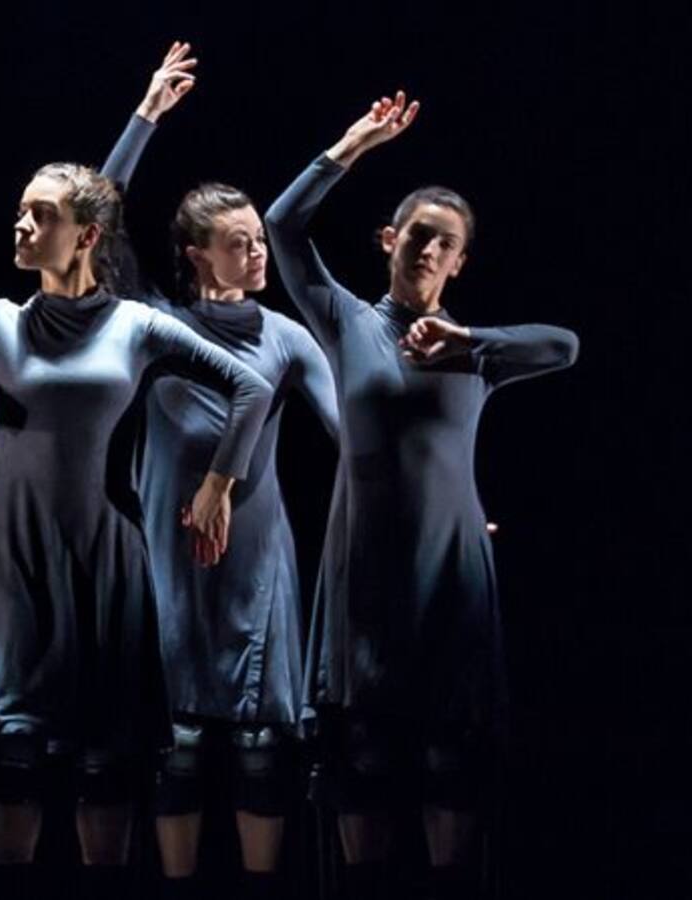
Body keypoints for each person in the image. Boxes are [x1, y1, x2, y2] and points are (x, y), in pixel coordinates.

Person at [0, 102, 272, 899]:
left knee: (105, 768)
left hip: (105, 563)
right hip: (16, 563)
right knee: (11, 763)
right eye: (21, 211)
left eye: (41, 215)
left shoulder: (137, 326)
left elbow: (249, 388)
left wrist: (219, 483)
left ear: (87, 237)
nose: (20, 225)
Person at [264, 91, 579, 900]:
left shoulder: (474, 352)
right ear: (389, 240)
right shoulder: (349, 323)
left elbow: (565, 346)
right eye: (418, 235)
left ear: (461, 262)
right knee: (362, 767)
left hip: (451, 576)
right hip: (364, 576)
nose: (430, 250)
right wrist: (351, 145)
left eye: (447, 243)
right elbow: (282, 227)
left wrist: (470, 339)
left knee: (451, 767)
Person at [97, 42, 340, 900]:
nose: (257, 254)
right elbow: (100, 223)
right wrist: (145, 117)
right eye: (238, 244)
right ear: (198, 254)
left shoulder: (287, 337)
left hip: (256, 559)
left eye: (259, 240)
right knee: (179, 748)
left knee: (260, 750)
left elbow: (352, 436)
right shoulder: (153, 322)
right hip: (168, 560)